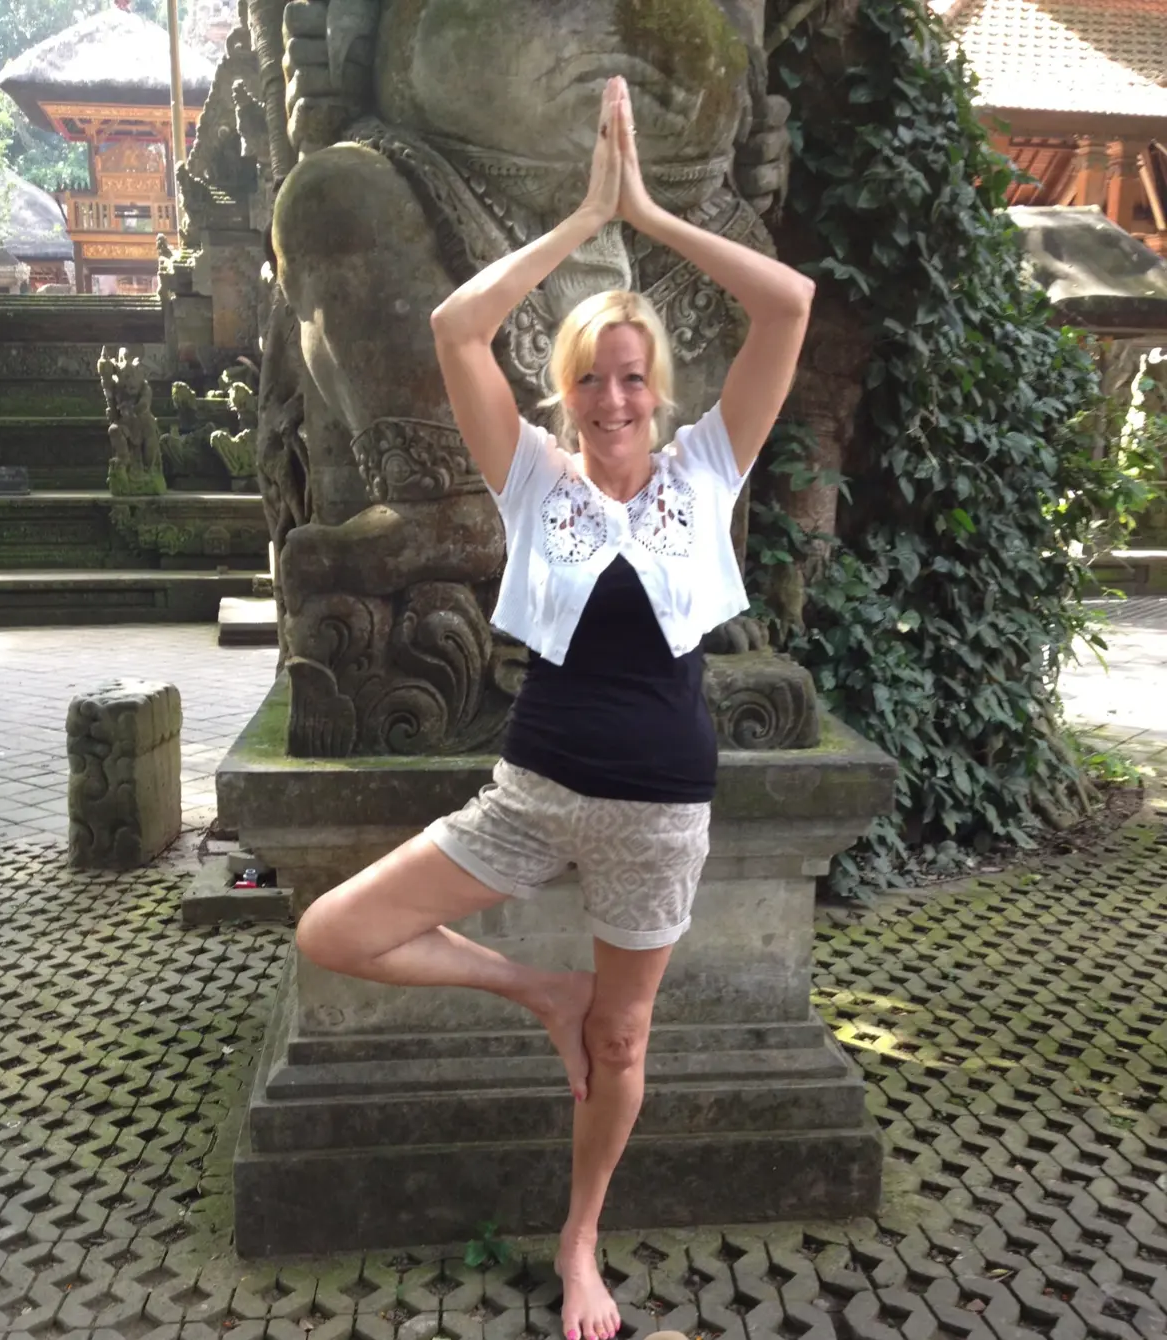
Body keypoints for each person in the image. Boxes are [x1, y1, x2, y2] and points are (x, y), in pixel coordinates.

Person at [296, 75, 814, 1340]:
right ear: (569, 393)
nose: (617, 400)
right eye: (594, 379)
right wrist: (586, 225)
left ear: (663, 388)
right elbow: (460, 329)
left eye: (634, 378)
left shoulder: (709, 469)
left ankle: (582, 1240)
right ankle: (542, 995)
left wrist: (647, 208)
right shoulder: (532, 481)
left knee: (627, 1045)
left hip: (660, 813)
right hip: (529, 798)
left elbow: (786, 301)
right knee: (332, 928)